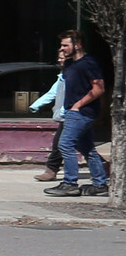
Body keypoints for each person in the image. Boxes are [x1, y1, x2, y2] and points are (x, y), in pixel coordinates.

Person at [45, 31, 109, 198]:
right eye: (61, 45)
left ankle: (70, 183)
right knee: (87, 148)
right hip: (72, 111)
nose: (62, 48)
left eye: (66, 45)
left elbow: (99, 88)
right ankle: (100, 184)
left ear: (78, 45)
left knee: (65, 144)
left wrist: (78, 105)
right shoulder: (70, 64)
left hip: (82, 112)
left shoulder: (88, 63)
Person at [30, 76, 66, 182]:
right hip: (64, 116)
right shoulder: (62, 78)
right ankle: (101, 165)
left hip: (73, 116)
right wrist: (36, 105)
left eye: (63, 58)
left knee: (59, 144)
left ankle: (51, 170)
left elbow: (74, 98)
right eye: (59, 58)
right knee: (85, 146)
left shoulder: (75, 75)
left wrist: (63, 112)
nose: (60, 60)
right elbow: (52, 93)